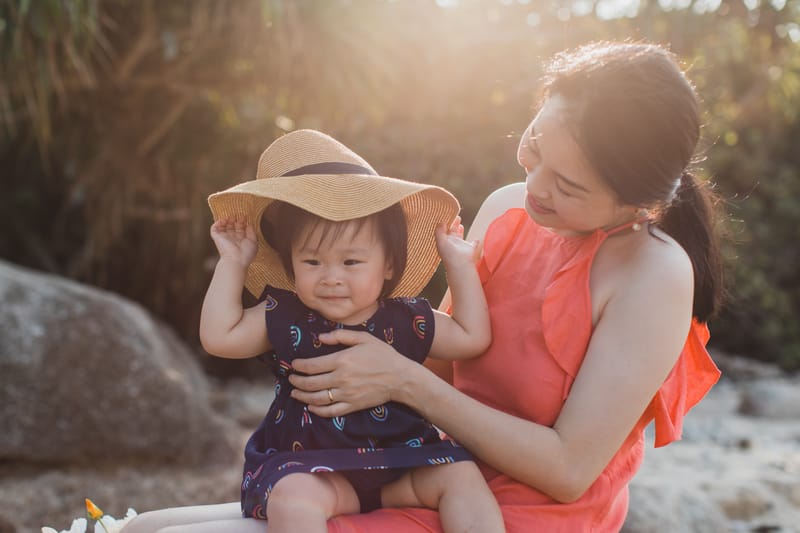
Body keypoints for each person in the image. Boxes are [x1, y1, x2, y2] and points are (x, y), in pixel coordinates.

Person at [124, 40, 724, 532]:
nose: (535, 185)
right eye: (535, 145)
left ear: (639, 202)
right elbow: (431, 358)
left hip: (519, 509)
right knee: (141, 529)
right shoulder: (507, 209)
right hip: (418, 462)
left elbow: (568, 469)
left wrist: (400, 379)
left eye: (567, 186)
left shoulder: (655, 271)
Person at [124, 129, 504, 533]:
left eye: (352, 262)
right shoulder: (284, 314)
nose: (331, 278)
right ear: (291, 265)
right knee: (292, 498)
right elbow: (219, 338)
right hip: (317, 471)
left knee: (461, 475)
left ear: (389, 265)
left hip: (402, 461)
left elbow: (471, 337)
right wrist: (232, 263)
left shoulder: (405, 318)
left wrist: (459, 266)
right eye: (312, 262)